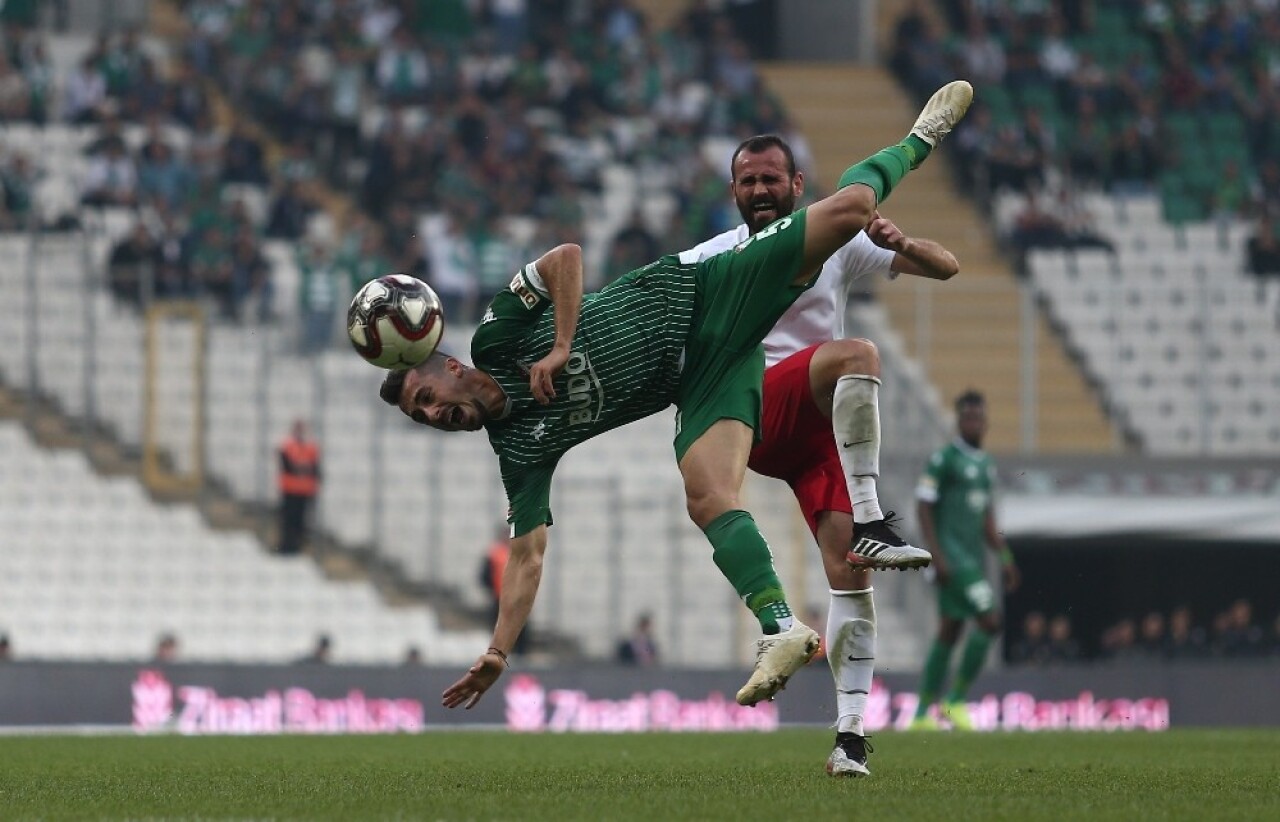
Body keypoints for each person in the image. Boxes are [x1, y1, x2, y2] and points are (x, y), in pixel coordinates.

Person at [376, 81, 975, 714]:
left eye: (426, 397)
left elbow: (565, 258)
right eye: (423, 416)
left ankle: (919, 139)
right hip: (704, 380)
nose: (434, 415)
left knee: (852, 209)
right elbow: (526, 555)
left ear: (445, 363)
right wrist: (498, 652)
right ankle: (782, 627)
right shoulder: (518, 450)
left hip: (702, 296)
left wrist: (558, 344)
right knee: (707, 496)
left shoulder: (499, 336)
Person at [677, 134, 957, 776]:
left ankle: (850, 741)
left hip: (817, 433)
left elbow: (947, 267)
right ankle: (872, 519)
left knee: (850, 577)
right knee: (858, 354)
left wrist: (903, 245)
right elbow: (663, 305)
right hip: (758, 410)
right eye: (748, 182)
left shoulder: (832, 243)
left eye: (770, 179)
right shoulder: (716, 256)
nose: (759, 191)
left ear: (797, 185)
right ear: (733, 192)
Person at [910, 389, 1019, 731]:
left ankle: (922, 714)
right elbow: (923, 507)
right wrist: (936, 556)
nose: (974, 422)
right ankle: (955, 700)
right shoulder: (945, 460)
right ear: (959, 421)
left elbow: (986, 517)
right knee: (990, 620)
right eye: (967, 417)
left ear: (986, 422)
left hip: (971, 557)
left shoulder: (984, 465)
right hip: (952, 559)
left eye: (978, 417)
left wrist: (1004, 556)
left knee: (949, 631)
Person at [478, 525, 529, 655]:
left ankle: (519, 654)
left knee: (519, 627)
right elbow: (485, 576)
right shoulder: (494, 554)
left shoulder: (519, 553)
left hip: (518, 598)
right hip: (499, 598)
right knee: (498, 628)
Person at [277, 419, 321, 555]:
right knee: (288, 520)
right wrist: (302, 469)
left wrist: (300, 468)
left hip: (305, 491)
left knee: (300, 522)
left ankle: (297, 548)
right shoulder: (287, 446)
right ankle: (286, 547)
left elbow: (315, 469)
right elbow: (287, 466)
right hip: (290, 490)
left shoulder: (311, 448)